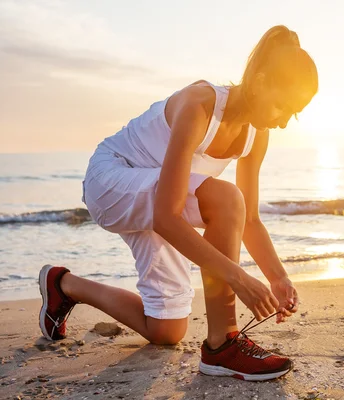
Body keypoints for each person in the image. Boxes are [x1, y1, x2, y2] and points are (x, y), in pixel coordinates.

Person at [37, 25, 318, 381]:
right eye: (283, 106)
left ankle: (63, 285)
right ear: (260, 82)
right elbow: (169, 218)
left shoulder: (256, 135)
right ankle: (222, 344)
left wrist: (278, 278)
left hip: (158, 193)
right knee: (225, 197)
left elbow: (249, 221)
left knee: (167, 329)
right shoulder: (199, 105)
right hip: (110, 181)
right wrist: (238, 279)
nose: (282, 122)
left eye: (293, 114)